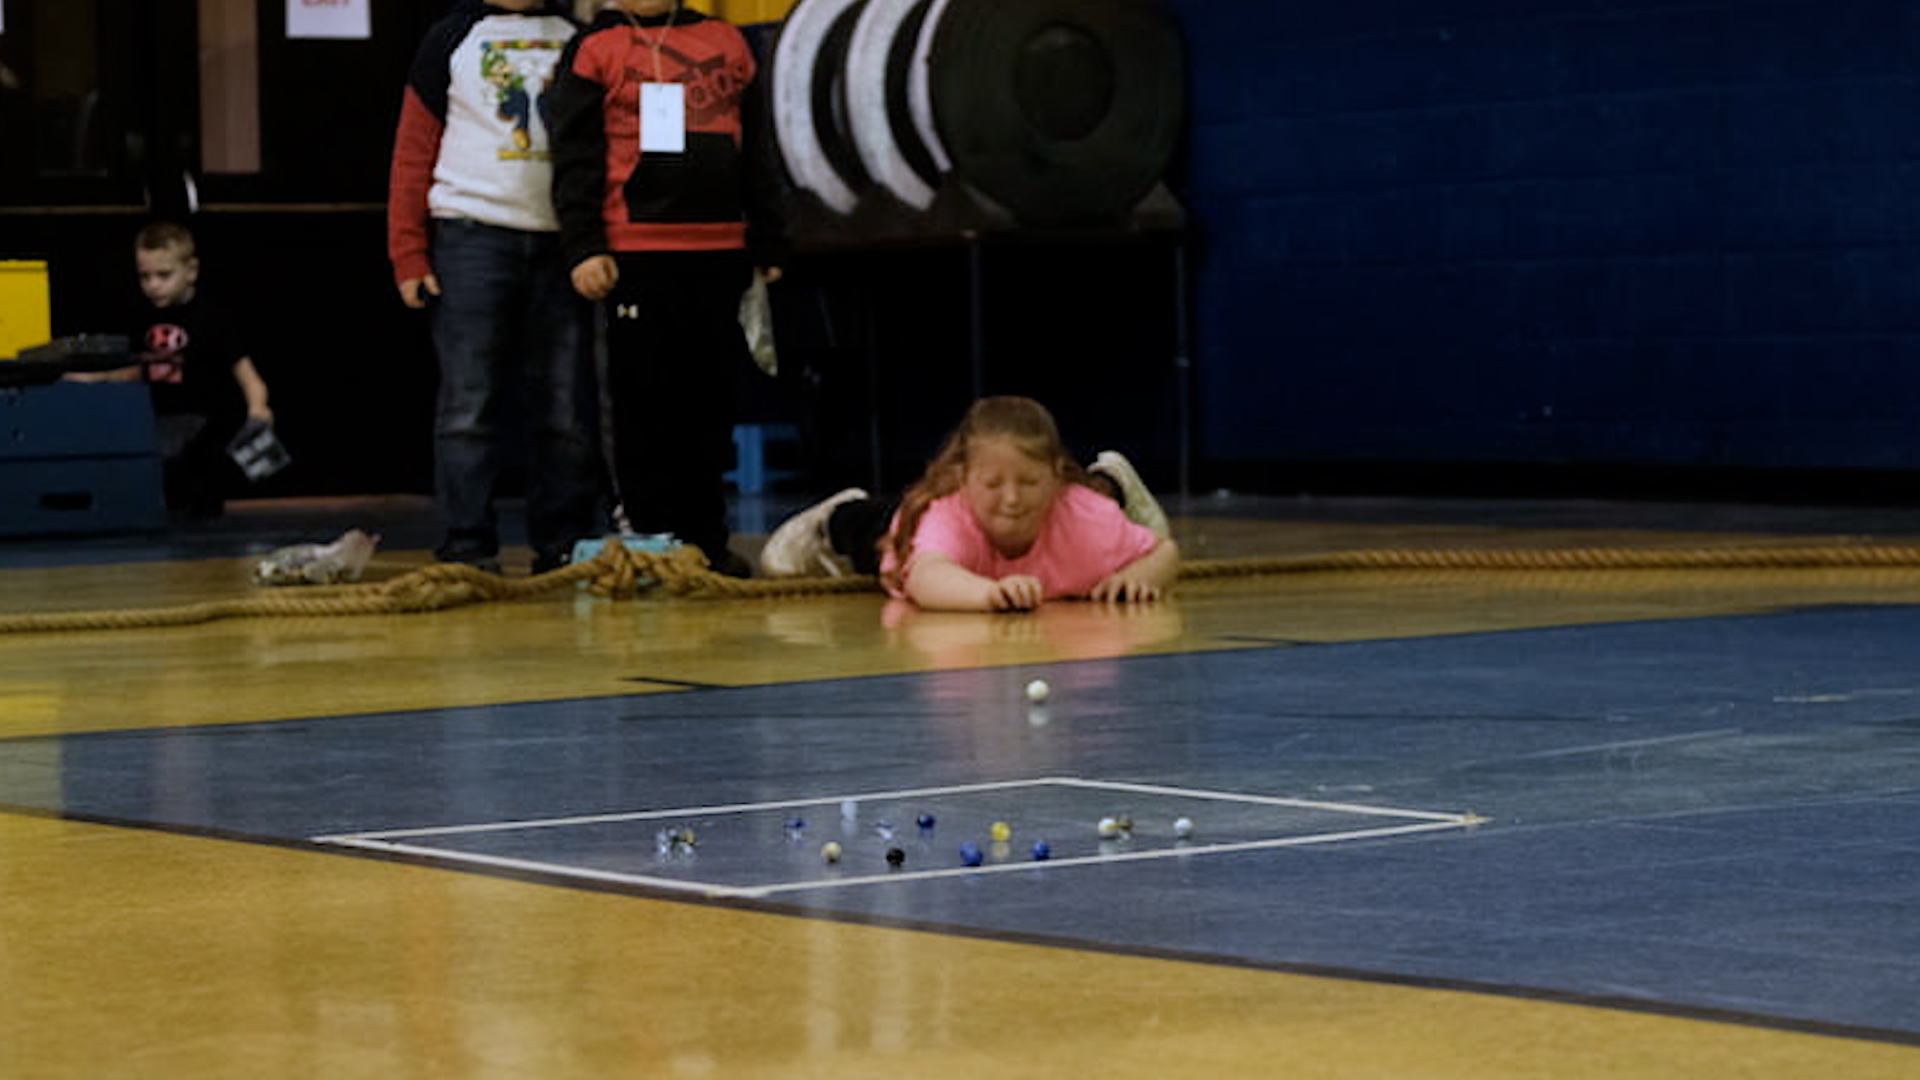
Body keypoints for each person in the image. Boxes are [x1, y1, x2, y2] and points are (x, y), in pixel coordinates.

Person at [546, 0, 786, 578]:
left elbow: (758, 148)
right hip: (636, 255)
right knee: (642, 408)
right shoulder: (592, 49)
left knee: (709, 404)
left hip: (719, 252)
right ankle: (651, 540)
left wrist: (770, 238)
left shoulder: (728, 43)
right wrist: (584, 245)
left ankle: (706, 538)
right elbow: (574, 158)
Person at [388, 0, 605, 575]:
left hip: (562, 243)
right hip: (470, 234)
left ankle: (561, 542)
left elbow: (602, 149)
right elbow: (413, 150)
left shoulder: (579, 38)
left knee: (562, 407)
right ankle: (467, 544)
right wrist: (407, 250)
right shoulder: (450, 36)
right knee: (468, 404)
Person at [759, 397, 1179, 611]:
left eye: (1029, 482)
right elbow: (926, 579)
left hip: (1075, 505)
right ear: (964, 479)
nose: (1012, 500)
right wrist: (989, 594)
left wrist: (1141, 577)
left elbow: (1164, 550)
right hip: (899, 527)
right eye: (993, 483)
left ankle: (1109, 480)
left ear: (1056, 477)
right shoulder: (947, 514)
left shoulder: (1084, 517)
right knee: (878, 528)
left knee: (1091, 502)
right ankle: (833, 518)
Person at [68, 221, 272, 520]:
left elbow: (244, 370)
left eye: (164, 275)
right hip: (158, 416)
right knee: (155, 469)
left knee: (202, 471)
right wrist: (96, 379)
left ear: (191, 272)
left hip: (204, 418)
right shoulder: (140, 316)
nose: (153, 285)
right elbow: (138, 370)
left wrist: (259, 407)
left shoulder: (210, 317)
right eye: (145, 276)